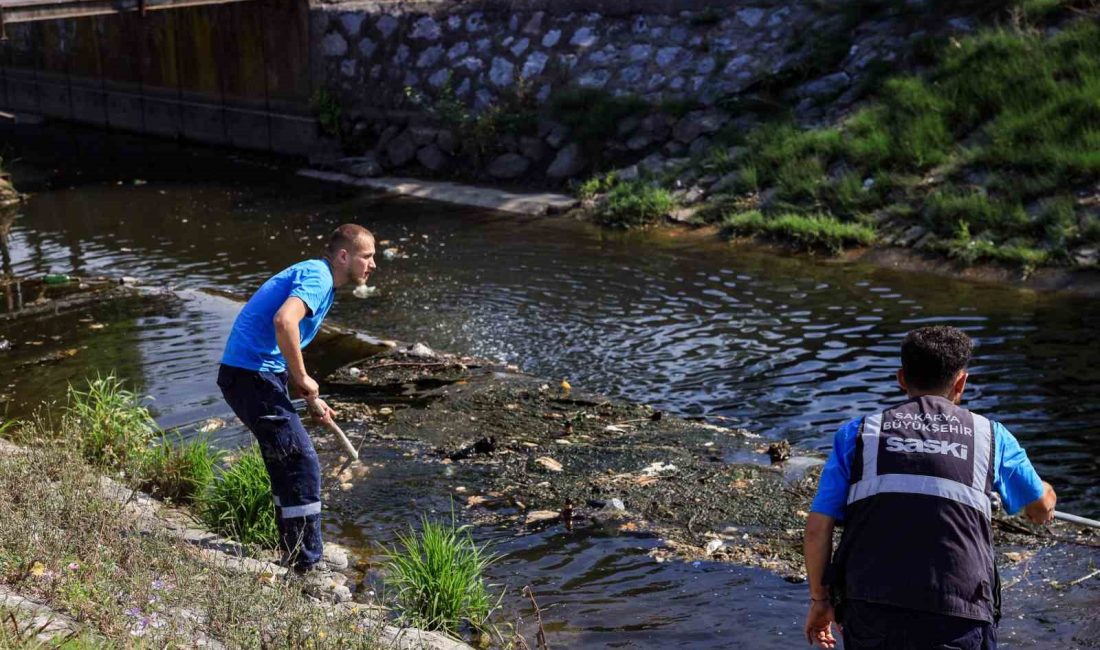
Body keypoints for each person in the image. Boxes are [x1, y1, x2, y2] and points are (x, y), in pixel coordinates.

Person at [803, 325, 1056, 650]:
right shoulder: (992, 436)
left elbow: (816, 529)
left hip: (871, 607)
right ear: (961, 382)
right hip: (959, 611)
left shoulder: (857, 434)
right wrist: (1044, 492)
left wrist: (819, 601)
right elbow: (1040, 508)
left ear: (901, 379)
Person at [217, 223, 376, 573]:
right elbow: (284, 321)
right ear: (344, 255)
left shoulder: (320, 279)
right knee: (301, 463)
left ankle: (294, 555)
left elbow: (277, 346)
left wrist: (306, 396)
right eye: (367, 256)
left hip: (254, 374)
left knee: (286, 462)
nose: (373, 264)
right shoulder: (319, 277)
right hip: (249, 374)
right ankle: (307, 565)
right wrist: (303, 376)